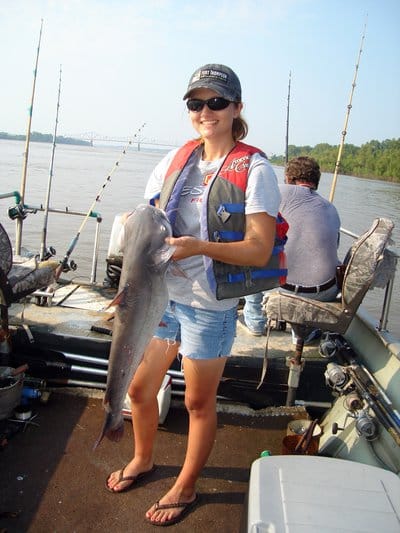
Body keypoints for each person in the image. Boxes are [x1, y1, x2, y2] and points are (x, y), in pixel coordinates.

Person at [105, 64, 281, 526]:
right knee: (141, 389)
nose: (206, 111)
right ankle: (143, 458)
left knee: (198, 403)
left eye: (217, 102)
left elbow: (261, 248)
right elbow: (150, 213)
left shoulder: (256, 169)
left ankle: (185, 485)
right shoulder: (175, 159)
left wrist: (199, 247)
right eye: (196, 103)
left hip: (210, 307)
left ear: (237, 108)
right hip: (161, 300)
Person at [243, 156, 341, 342]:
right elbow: (334, 248)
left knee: (251, 258)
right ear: (316, 181)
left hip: (283, 290)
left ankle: (256, 322)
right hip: (325, 292)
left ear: (288, 177)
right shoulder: (331, 208)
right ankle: (302, 332)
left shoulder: (277, 192)